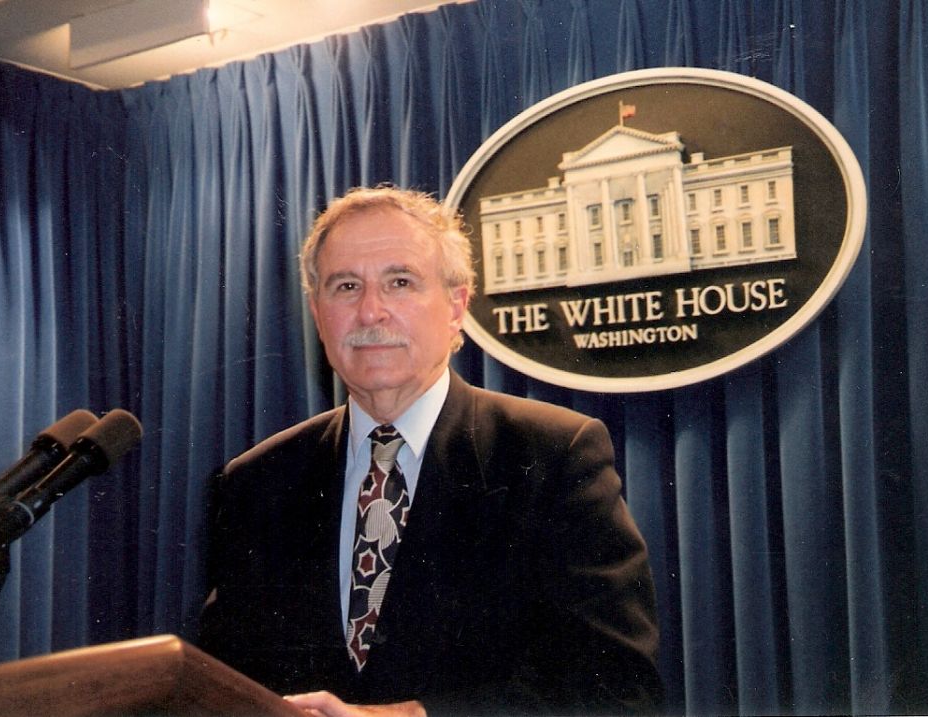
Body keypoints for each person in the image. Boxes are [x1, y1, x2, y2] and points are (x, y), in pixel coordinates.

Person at [196, 186, 664, 716]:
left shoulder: (553, 455)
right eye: (346, 286)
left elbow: (617, 690)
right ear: (318, 312)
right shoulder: (258, 482)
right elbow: (222, 682)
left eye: (400, 282)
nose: (371, 311)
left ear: (457, 306)